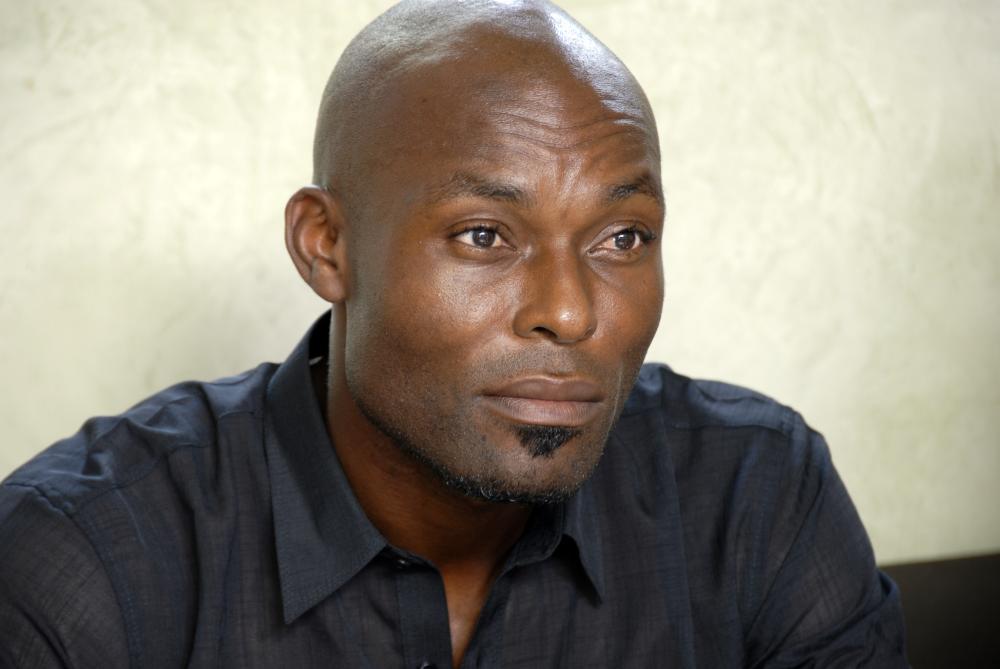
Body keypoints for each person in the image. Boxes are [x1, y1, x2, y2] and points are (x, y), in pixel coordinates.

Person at [0, 1, 907, 667]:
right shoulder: (77, 562)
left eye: (623, 237)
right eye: (483, 235)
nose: (571, 312)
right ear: (326, 246)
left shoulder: (755, 496)